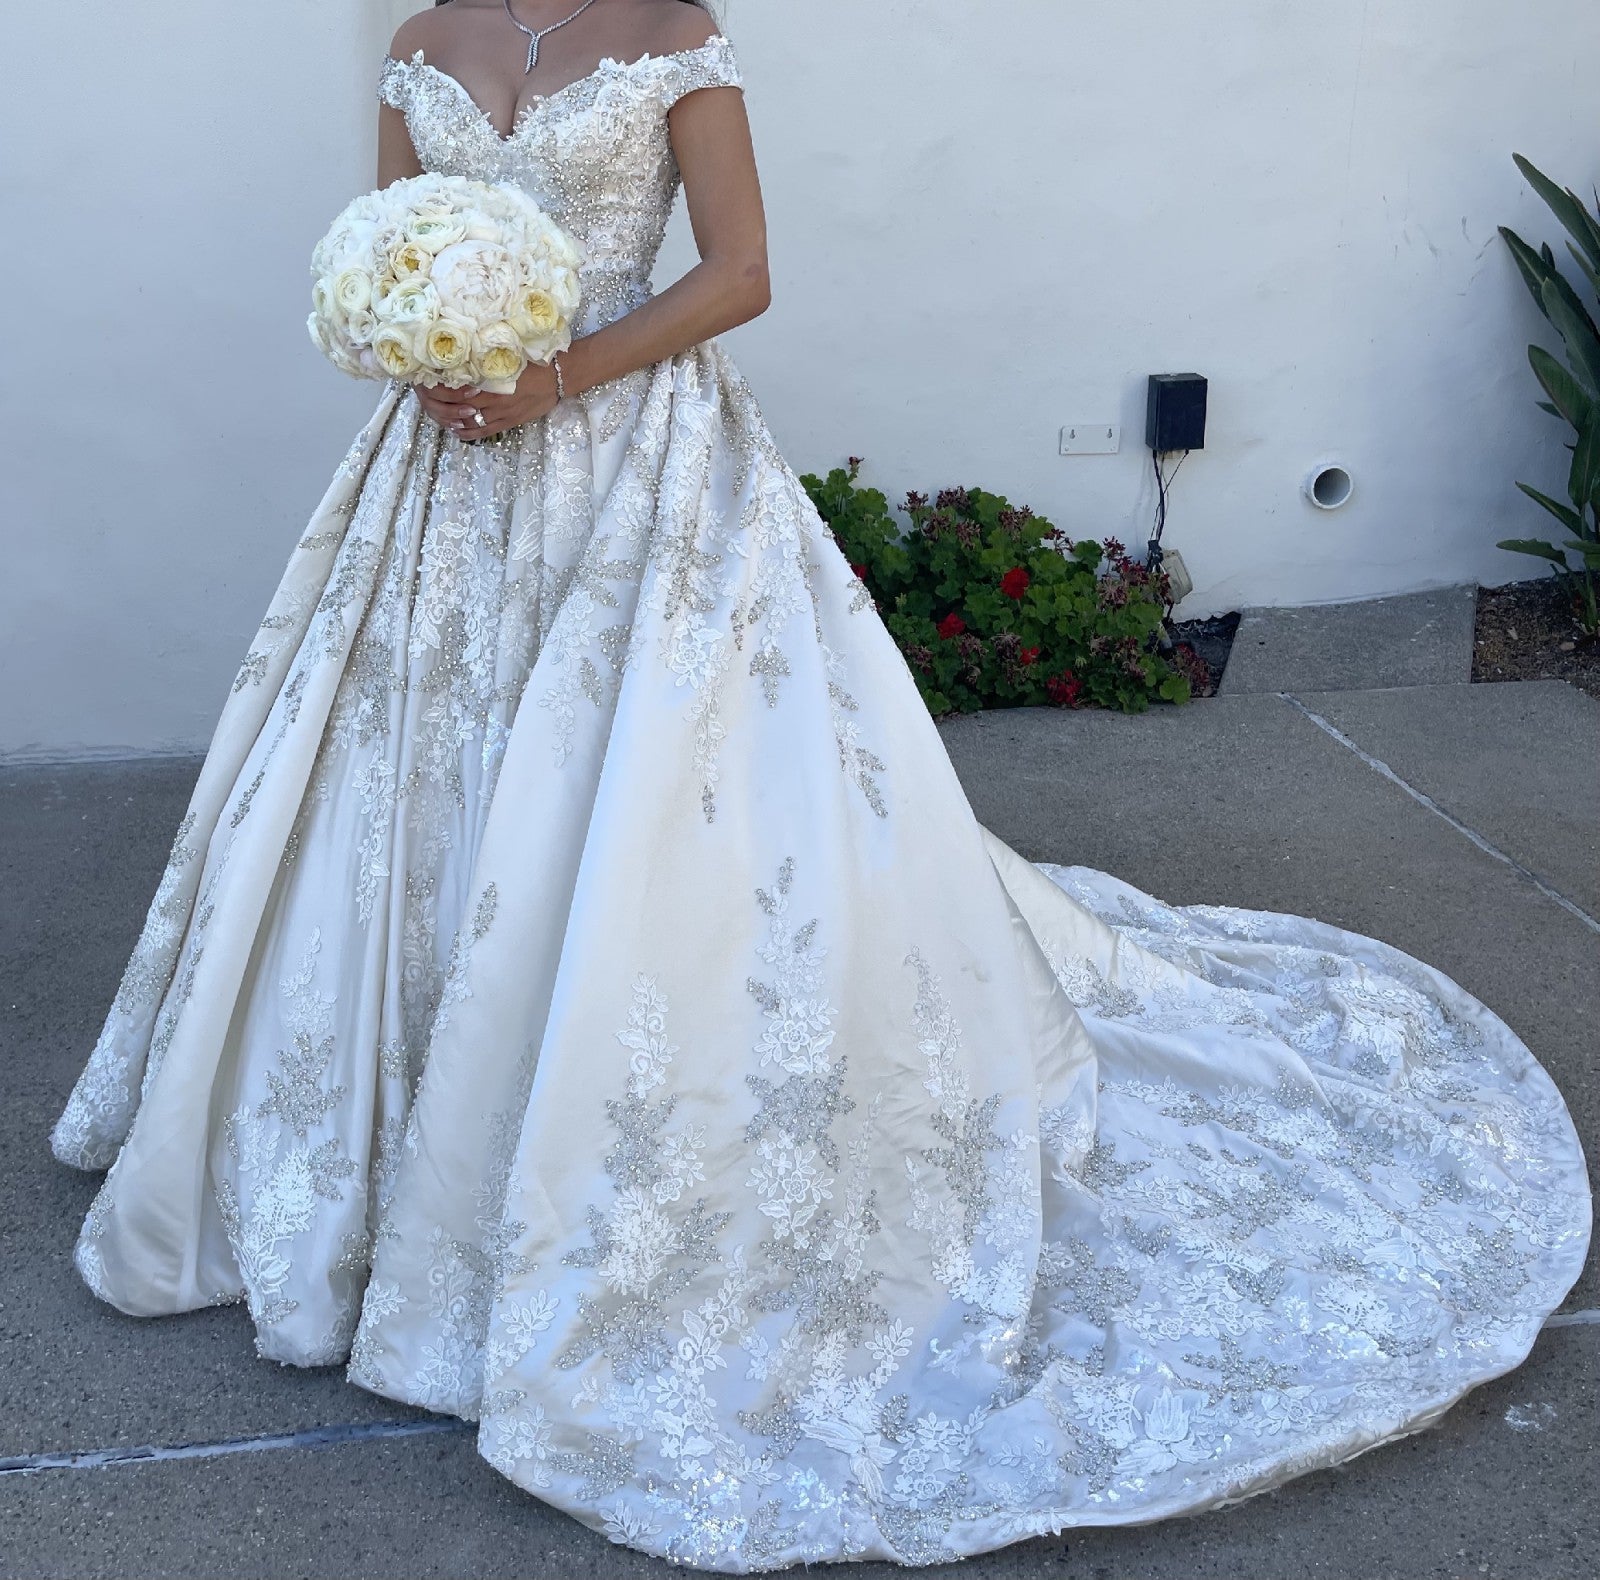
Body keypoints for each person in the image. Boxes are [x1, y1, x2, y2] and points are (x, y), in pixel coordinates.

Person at [51, 0, 1590, 1569]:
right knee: (407, 793)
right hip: (444, 475)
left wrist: (555, 375)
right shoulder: (422, 36)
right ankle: (395, 1153)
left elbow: (739, 272)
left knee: (659, 821)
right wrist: (417, 347)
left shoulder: (671, 30)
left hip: (632, 456)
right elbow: (386, 243)